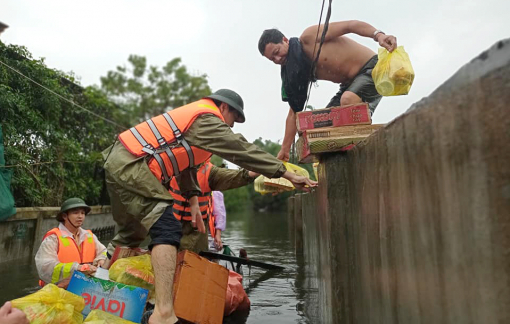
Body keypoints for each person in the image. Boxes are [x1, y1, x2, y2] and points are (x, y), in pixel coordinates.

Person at [102, 88, 317, 324]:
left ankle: (99, 279)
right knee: (166, 228)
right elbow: (239, 149)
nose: (233, 126)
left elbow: (185, 169)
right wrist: (285, 172)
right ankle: (163, 314)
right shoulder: (206, 118)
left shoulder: (194, 138)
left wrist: (193, 199)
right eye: (234, 118)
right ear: (223, 107)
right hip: (133, 164)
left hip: (123, 161)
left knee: (132, 234)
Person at [258, 20, 397, 161]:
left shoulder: (309, 37)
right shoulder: (297, 70)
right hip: (348, 86)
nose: (277, 59)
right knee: (324, 128)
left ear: (285, 40)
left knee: (348, 100)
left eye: (277, 52)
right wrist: (285, 150)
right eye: (272, 59)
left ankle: (369, 156)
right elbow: (294, 112)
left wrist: (378, 35)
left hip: (371, 69)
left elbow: (350, 26)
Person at [168, 160, 257, 254]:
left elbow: (237, 177)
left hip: (196, 230)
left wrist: (259, 170)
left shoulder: (210, 173)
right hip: (171, 224)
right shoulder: (171, 164)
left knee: (194, 257)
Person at [35, 198, 107, 287]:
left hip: (85, 288)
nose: (80, 216)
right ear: (65, 216)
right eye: (75, 213)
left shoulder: (89, 236)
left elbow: (103, 252)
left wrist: (101, 260)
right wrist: (77, 268)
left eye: (83, 213)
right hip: (59, 290)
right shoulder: (53, 238)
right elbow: (45, 267)